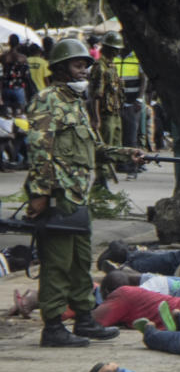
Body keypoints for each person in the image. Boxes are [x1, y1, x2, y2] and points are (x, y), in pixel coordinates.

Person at [24, 38, 145, 347]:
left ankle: (84, 319)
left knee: (80, 262)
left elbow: (93, 149)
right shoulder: (47, 100)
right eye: (79, 65)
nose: (84, 71)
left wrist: (124, 153)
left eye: (85, 66)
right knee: (57, 264)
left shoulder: (76, 104)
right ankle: (52, 326)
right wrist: (39, 193)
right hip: (58, 196)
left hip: (79, 197)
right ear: (62, 68)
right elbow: (39, 149)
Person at [88, 31, 125, 146]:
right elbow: (96, 95)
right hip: (105, 116)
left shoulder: (112, 65)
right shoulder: (100, 67)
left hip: (115, 113)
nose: (118, 52)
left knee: (116, 150)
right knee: (106, 151)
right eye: (116, 49)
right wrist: (96, 118)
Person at [1, 34, 30, 115]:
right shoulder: (23, 58)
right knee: (19, 115)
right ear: (18, 44)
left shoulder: (3, 57)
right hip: (19, 88)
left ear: (9, 43)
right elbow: (26, 76)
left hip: (6, 88)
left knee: (7, 116)